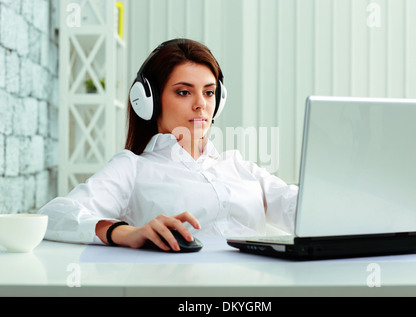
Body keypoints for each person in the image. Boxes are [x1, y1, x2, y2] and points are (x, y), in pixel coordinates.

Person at [39, 38, 298, 252]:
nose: (201, 104)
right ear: (148, 101)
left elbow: (301, 207)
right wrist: (125, 232)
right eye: (184, 92)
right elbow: (54, 215)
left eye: (209, 92)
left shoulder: (240, 167)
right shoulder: (133, 168)